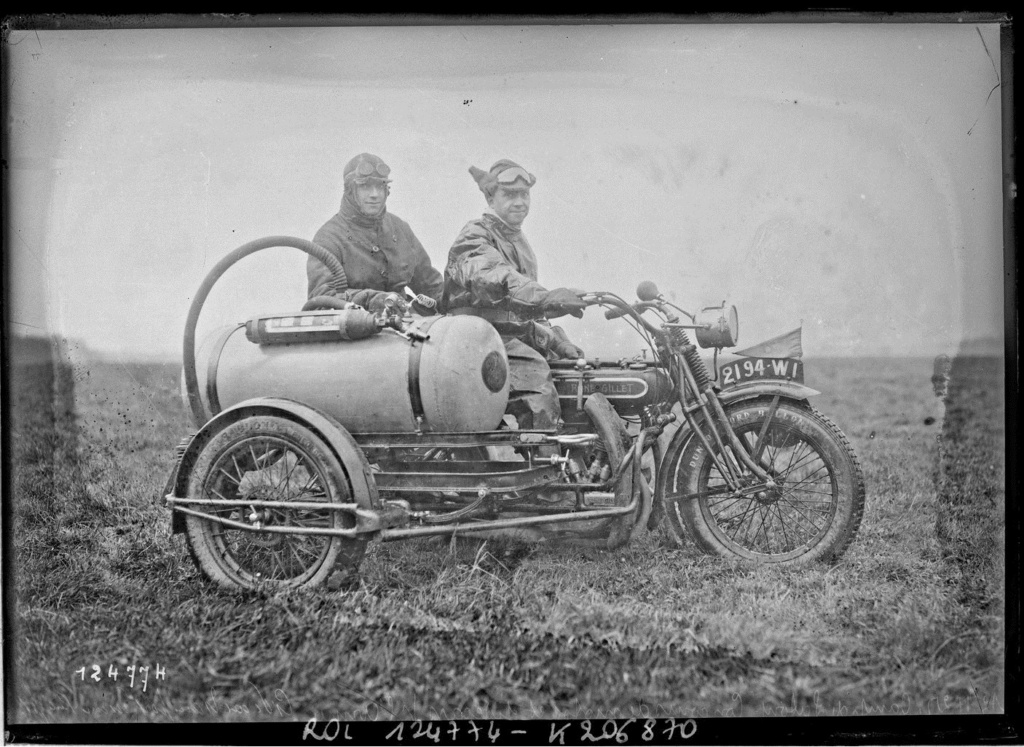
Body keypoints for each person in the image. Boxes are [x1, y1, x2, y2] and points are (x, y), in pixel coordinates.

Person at [443, 159, 587, 431]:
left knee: (577, 376)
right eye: (510, 194)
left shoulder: (517, 240)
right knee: (537, 387)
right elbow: (495, 278)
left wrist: (556, 342)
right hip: (476, 339)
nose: (520, 202)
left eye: (524, 194)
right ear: (490, 197)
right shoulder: (474, 236)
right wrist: (548, 297)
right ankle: (546, 466)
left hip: (505, 337)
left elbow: (523, 311)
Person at [307, 153, 443, 314]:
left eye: (380, 186)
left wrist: (455, 301)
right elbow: (322, 298)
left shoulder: (399, 228)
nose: (374, 194)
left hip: (404, 323)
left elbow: (429, 283)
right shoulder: (329, 237)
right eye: (365, 186)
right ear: (350, 190)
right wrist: (372, 300)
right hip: (357, 329)